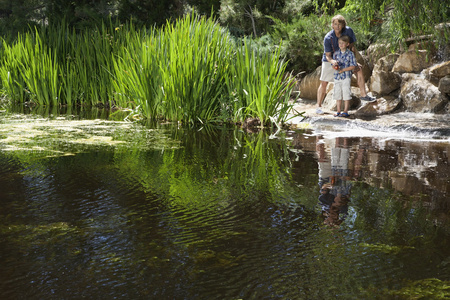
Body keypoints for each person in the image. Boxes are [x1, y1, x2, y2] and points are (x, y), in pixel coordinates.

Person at [316, 15, 376, 115]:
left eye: (339, 24)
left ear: (343, 25)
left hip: (345, 58)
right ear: (332, 25)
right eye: (335, 24)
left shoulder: (348, 31)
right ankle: (318, 106)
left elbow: (352, 47)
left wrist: (354, 61)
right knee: (324, 83)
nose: (337, 26)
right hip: (330, 60)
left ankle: (364, 95)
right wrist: (333, 62)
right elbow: (328, 56)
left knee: (359, 69)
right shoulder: (328, 38)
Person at [332, 35, 357, 117]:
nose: (341, 44)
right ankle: (338, 111)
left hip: (346, 77)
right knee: (337, 93)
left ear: (347, 44)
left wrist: (343, 70)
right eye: (339, 43)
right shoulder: (335, 54)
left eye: (343, 43)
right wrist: (335, 66)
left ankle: (345, 111)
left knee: (346, 93)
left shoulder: (350, 54)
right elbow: (333, 66)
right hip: (337, 77)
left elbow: (353, 66)